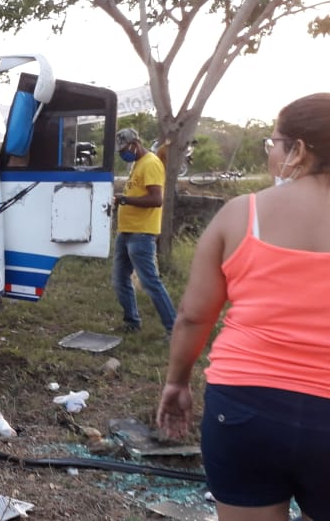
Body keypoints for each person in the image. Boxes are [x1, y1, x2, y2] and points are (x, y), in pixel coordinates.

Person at [157, 93, 330, 521]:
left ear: (300, 150)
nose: (270, 152)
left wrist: (177, 382)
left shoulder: (240, 215)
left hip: (244, 408)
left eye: (272, 142)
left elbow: (196, 316)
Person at [111, 127, 176, 336]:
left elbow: (156, 200)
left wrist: (125, 199)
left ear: (135, 144)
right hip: (127, 232)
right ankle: (132, 322)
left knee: (150, 283)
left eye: (124, 149)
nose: (123, 154)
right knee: (120, 279)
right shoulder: (137, 164)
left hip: (141, 234)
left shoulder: (151, 163)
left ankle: (174, 329)